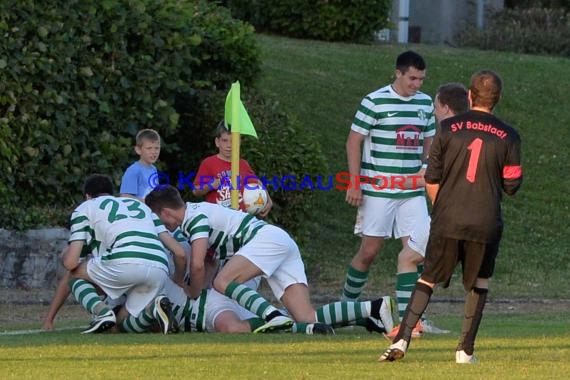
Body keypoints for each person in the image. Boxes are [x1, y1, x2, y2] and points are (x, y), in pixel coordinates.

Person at [379, 70, 523, 364]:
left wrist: (443, 205)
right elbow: (511, 186)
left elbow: (431, 177)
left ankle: (402, 340)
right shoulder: (509, 136)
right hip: (485, 222)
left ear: (470, 95)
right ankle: (464, 351)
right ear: (497, 99)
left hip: (447, 219)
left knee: (428, 277)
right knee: (479, 283)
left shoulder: (447, 129)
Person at [145, 185, 397, 334]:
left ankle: (273, 317)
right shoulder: (200, 212)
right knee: (306, 317)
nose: (164, 225)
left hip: (264, 239)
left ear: (165, 212)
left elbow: (198, 264)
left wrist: (191, 290)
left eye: (160, 220)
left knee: (224, 282)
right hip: (280, 241)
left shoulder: (193, 218)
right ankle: (374, 308)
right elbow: (208, 262)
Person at [341, 51, 435, 309]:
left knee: (416, 253)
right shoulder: (374, 101)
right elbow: (354, 141)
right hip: (378, 189)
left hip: (412, 192)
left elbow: (430, 141)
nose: (417, 85)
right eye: (412, 78)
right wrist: (354, 182)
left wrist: (425, 169)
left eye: (421, 80)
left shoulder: (425, 103)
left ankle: (413, 319)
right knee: (369, 252)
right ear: (398, 73)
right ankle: (345, 307)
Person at [386, 83, 469, 338]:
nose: (433, 112)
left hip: (446, 213)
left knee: (407, 259)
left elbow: (425, 178)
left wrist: (386, 181)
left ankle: (410, 323)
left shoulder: (445, 133)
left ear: (445, 107)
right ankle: (418, 320)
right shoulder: (474, 132)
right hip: (475, 212)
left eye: (435, 106)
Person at [61, 174, 187, 334]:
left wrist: (64, 256)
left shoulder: (85, 207)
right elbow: (179, 252)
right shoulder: (141, 206)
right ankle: (153, 310)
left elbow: (71, 263)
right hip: (158, 267)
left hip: (123, 260)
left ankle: (101, 312)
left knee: (74, 275)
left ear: (87, 196)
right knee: (118, 326)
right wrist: (179, 280)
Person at [193, 122, 272, 217]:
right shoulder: (208, 163)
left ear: (239, 142)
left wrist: (269, 200)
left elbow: (256, 182)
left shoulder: (243, 164)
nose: (229, 145)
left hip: (241, 219)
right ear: (217, 142)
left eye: (233, 141)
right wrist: (211, 185)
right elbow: (195, 191)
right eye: (225, 140)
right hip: (218, 220)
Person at [119, 128, 161, 201]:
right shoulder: (133, 170)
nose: (154, 152)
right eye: (149, 148)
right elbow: (125, 197)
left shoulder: (153, 169)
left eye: (157, 148)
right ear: (138, 150)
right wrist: (148, 202)